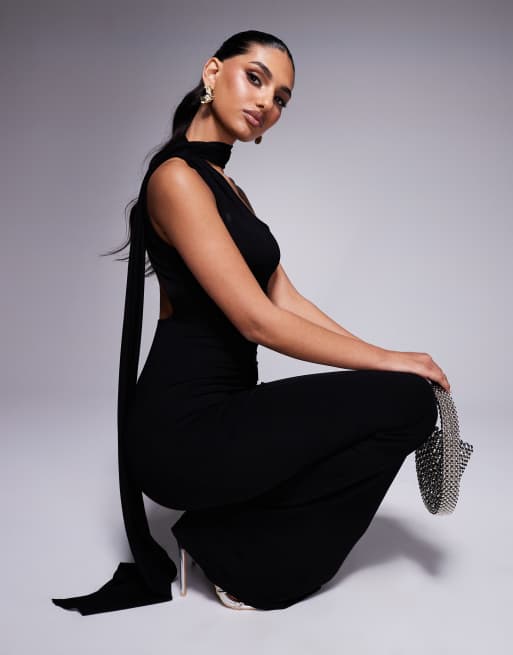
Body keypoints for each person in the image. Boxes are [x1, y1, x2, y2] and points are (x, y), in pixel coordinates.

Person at [52, 29, 450, 615]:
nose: (267, 102)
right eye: (256, 79)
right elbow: (257, 321)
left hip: (227, 413)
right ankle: (237, 560)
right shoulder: (175, 179)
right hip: (181, 433)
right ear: (213, 73)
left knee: (404, 397)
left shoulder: (229, 188)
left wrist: (391, 360)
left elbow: (286, 299)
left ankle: (221, 531)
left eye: (281, 98)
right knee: (408, 404)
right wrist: (392, 363)